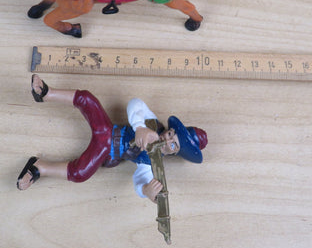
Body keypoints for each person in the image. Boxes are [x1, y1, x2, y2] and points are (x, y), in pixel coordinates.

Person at [17, 75, 208, 202]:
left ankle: (39, 168)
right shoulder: (153, 124)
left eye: (173, 144)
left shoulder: (151, 161)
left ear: (174, 152)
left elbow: (140, 179)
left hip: (105, 150)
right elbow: (135, 104)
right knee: (87, 99)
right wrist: (139, 127)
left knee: (80, 173)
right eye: (171, 134)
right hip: (106, 129)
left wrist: (146, 191)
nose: (168, 140)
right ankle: (47, 93)